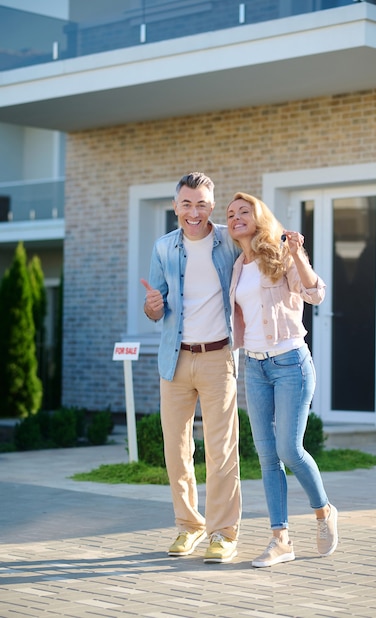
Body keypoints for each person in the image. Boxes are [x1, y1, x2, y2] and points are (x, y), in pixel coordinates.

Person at [226, 191, 338, 568]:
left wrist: (298, 253)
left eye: (245, 211)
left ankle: (323, 512)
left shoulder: (281, 255)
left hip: (291, 363)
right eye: (231, 213)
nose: (236, 217)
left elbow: (316, 293)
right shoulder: (237, 266)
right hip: (254, 368)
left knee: (289, 449)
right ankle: (281, 539)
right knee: (267, 456)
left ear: (259, 218)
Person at [141, 172, 241, 564]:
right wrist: (152, 308)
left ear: (211, 206)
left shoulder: (229, 242)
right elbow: (156, 304)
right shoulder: (164, 247)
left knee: (222, 451)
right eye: (186, 204)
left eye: (201, 204)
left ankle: (223, 533)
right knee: (176, 450)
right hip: (175, 359)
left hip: (218, 358)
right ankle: (189, 526)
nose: (193, 212)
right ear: (175, 206)